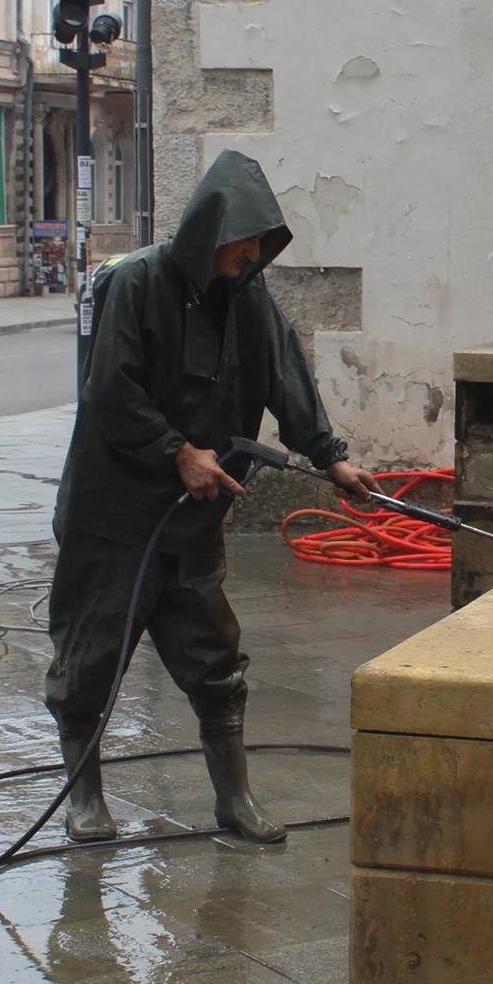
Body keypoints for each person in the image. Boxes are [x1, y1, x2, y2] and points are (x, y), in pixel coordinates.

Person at [45, 150, 378, 844]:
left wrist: (332, 457)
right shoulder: (136, 285)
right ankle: (85, 798)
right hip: (112, 521)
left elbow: (287, 379)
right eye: (243, 239)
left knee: (216, 662)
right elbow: (110, 390)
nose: (253, 254)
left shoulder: (249, 299)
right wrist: (176, 451)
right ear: (208, 231)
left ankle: (234, 798)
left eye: (262, 242)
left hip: (190, 525)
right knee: (90, 659)